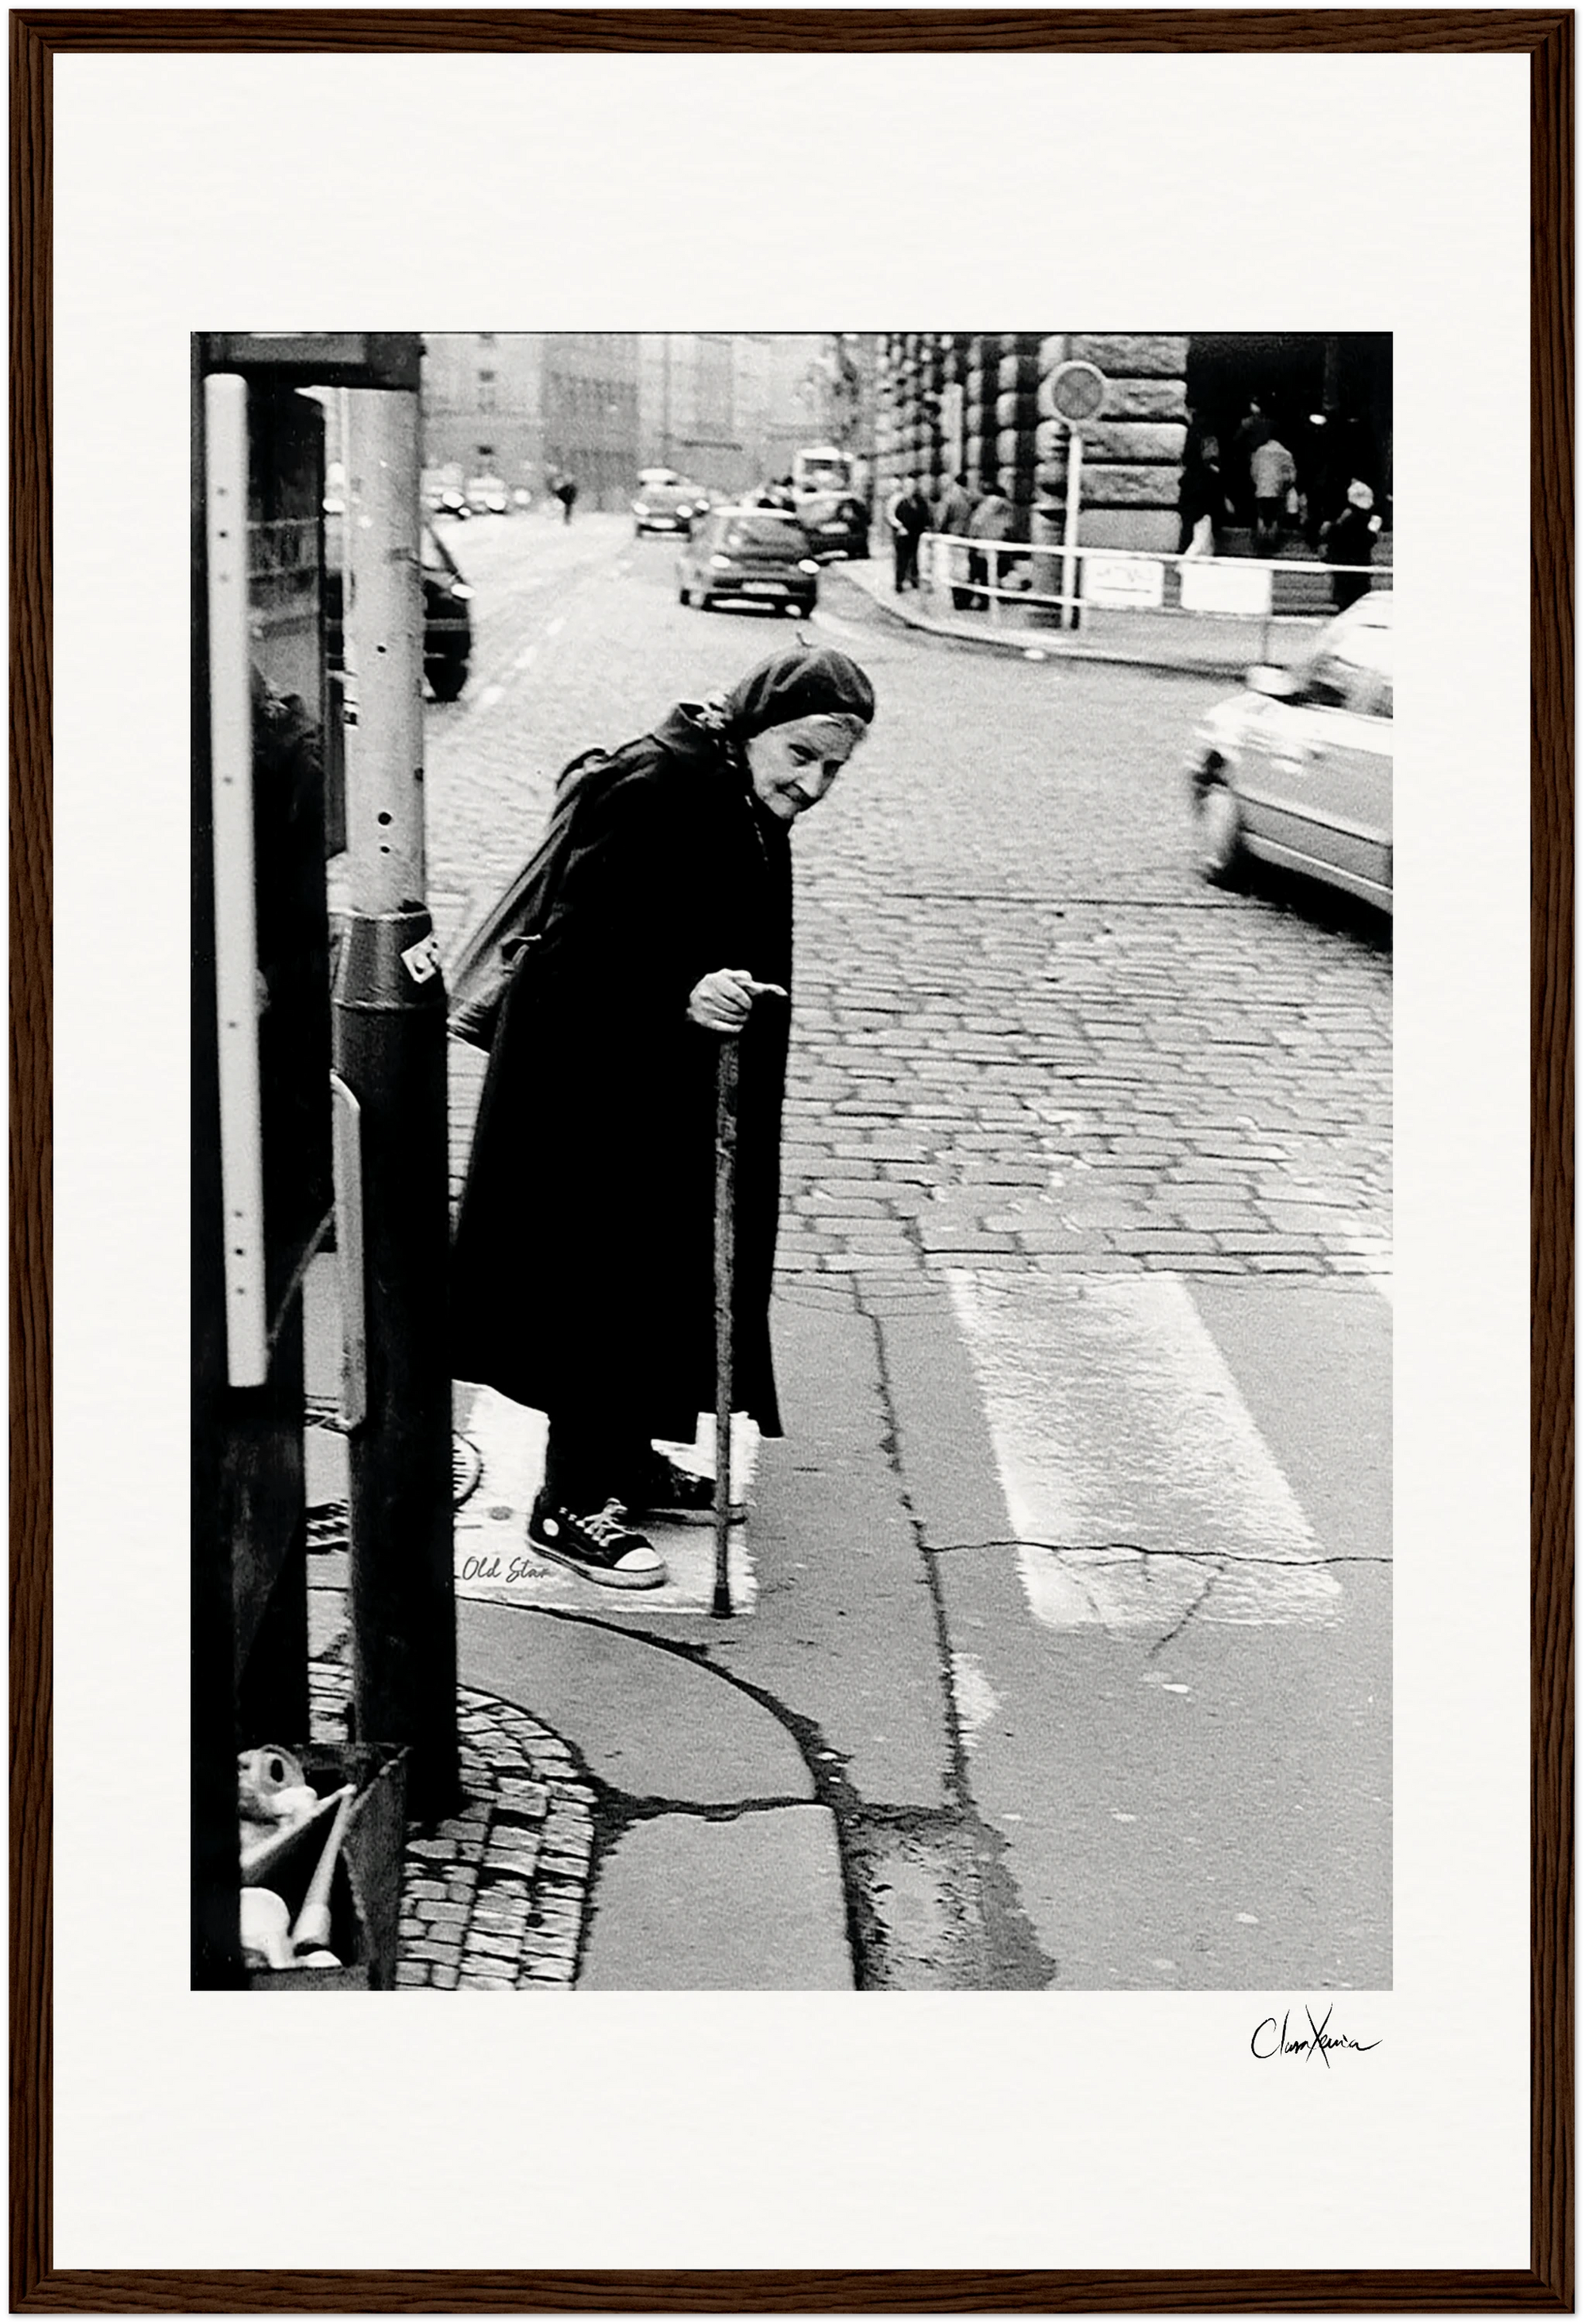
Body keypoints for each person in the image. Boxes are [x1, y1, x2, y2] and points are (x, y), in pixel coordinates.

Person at [449, 643, 878, 1590]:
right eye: (801, 755)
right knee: (604, 1279)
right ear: (754, 725)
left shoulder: (733, 786)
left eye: (832, 769)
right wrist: (679, 993)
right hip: (595, 1094)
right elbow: (570, 952)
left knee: (661, 1272)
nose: (811, 784)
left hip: (670, 1083)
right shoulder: (653, 786)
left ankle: (626, 1456)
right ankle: (570, 1499)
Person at [1320, 479, 1384, 610]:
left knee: (1345, 601)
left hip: (1346, 567)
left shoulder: (1344, 520)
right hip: (1355, 567)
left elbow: (1330, 537)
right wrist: (1372, 531)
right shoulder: (1363, 520)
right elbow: (1366, 541)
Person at [1176, 435, 1228, 557]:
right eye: (1212, 448)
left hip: (1195, 515)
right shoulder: (1209, 473)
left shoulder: (1195, 472)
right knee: (1199, 546)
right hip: (1202, 516)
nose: (1215, 451)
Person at [1250, 429, 1297, 555]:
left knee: (1262, 517)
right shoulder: (1286, 454)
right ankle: (1271, 545)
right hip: (1277, 493)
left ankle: (1261, 545)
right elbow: (1292, 477)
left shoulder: (1260, 451)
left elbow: (1254, 472)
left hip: (1262, 491)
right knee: (1274, 518)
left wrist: (1259, 483)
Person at [965, 487, 1014, 608]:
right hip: (997, 543)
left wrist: (972, 538)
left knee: (979, 572)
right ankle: (987, 597)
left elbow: (976, 523)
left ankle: (980, 599)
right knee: (991, 571)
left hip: (982, 543)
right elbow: (1008, 526)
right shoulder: (1006, 506)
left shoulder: (987, 505)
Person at [934, 471, 976, 609]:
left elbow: (941, 518)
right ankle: (965, 598)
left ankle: (958, 600)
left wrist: (938, 530)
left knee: (955, 569)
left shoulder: (949, 496)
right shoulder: (970, 496)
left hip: (953, 535)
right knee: (965, 569)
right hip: (968, 535)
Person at [885, 475, 930, 592]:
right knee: (902, 560)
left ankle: (914, 580)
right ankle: (899, 583)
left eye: (912, 487)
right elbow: (891, 516)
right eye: (907, 487)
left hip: (915, 534)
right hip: (902, 535)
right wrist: (899, 527)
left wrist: (924, 527)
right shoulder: (899, 501)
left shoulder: (919, 501)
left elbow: (924, 515)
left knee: (914, 558)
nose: (910, 489)